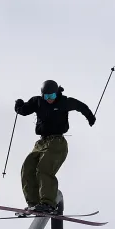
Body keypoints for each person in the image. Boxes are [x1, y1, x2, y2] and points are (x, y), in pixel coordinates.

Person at [14, 80, 96, 214]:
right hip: (41, 143)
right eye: (46, 97)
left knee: (43, 168)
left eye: (52, 96)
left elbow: (81, 106)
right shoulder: (37, 102)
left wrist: (90, 117)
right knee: (27, 167)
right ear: (42, 96)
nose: (49, 100)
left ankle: (48, 203)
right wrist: (18, 106)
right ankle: (34, 203)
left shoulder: (64, 102)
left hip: (57, 142)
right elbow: (23, 111)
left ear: (56, 93)